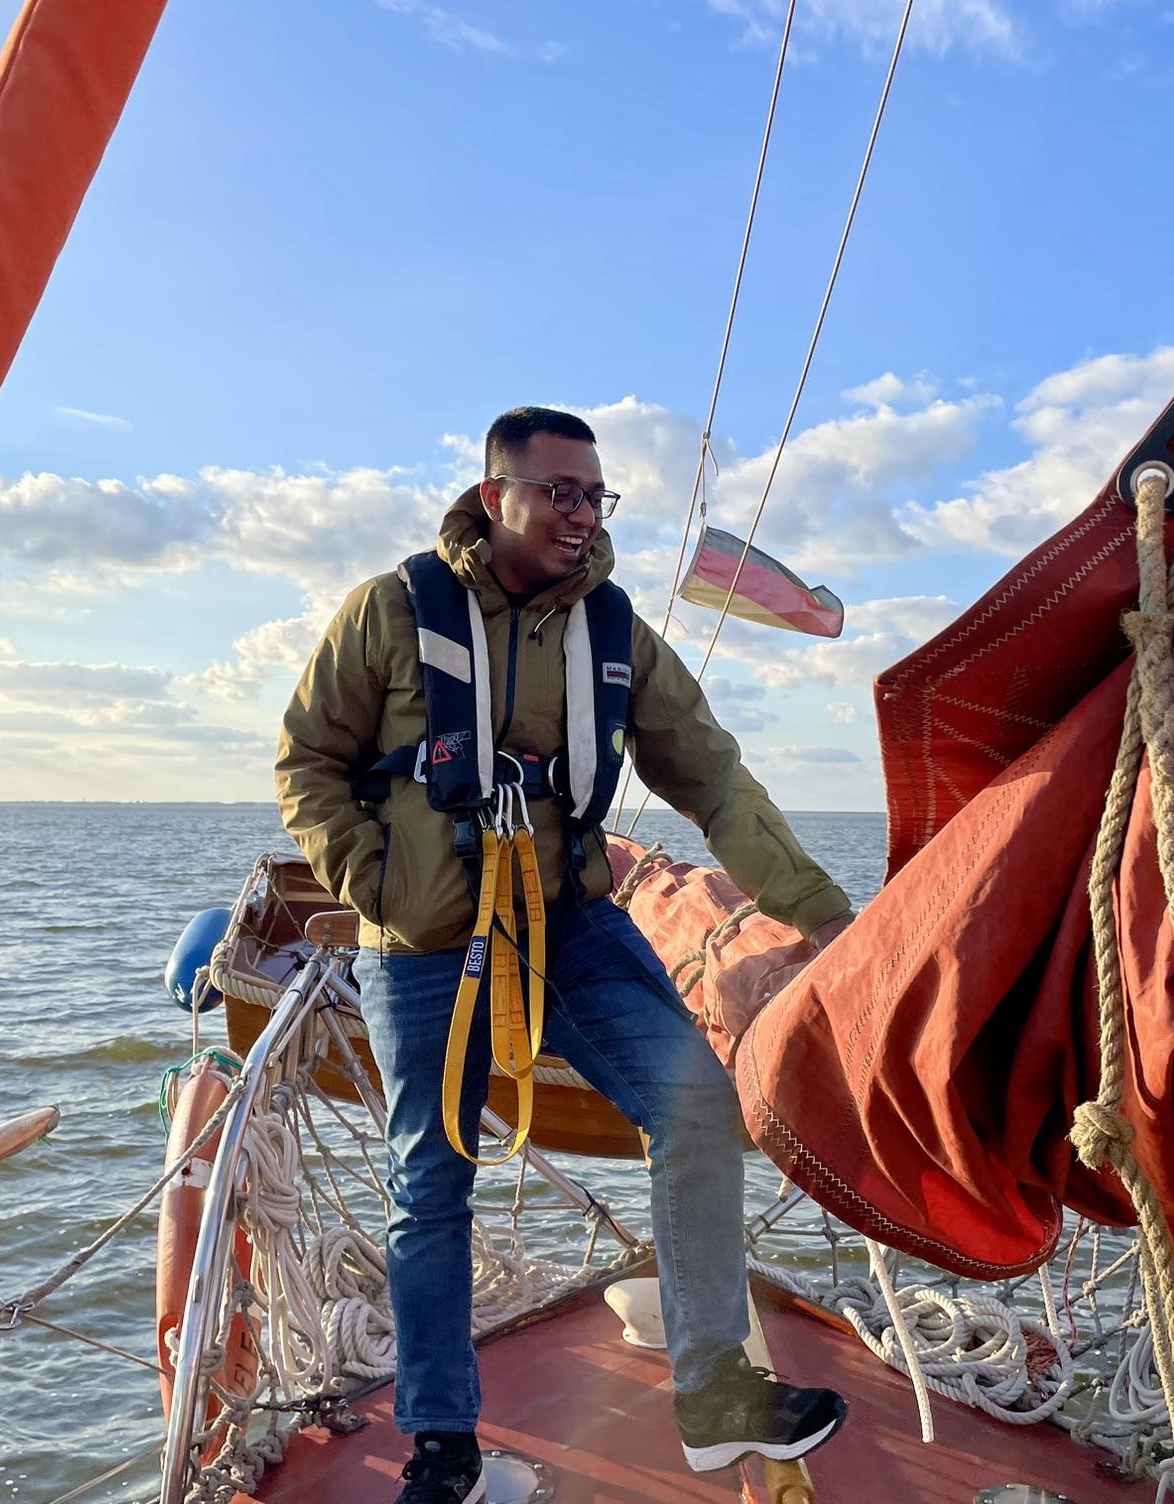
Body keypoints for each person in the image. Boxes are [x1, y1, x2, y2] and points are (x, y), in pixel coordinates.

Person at [277, 406, 857, 1504]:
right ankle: (441, 1442)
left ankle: (714, 1391)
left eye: (596, 497)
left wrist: (828, 920)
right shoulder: (392, 611)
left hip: (568, 923)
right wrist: (374, 880)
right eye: (559, 493)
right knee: (428, 1178)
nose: (582, 516)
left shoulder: (615, 632)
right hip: (424, 936)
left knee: (693, 1099)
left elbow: (715, 781)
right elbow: (306, 758)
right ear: (495, 495)